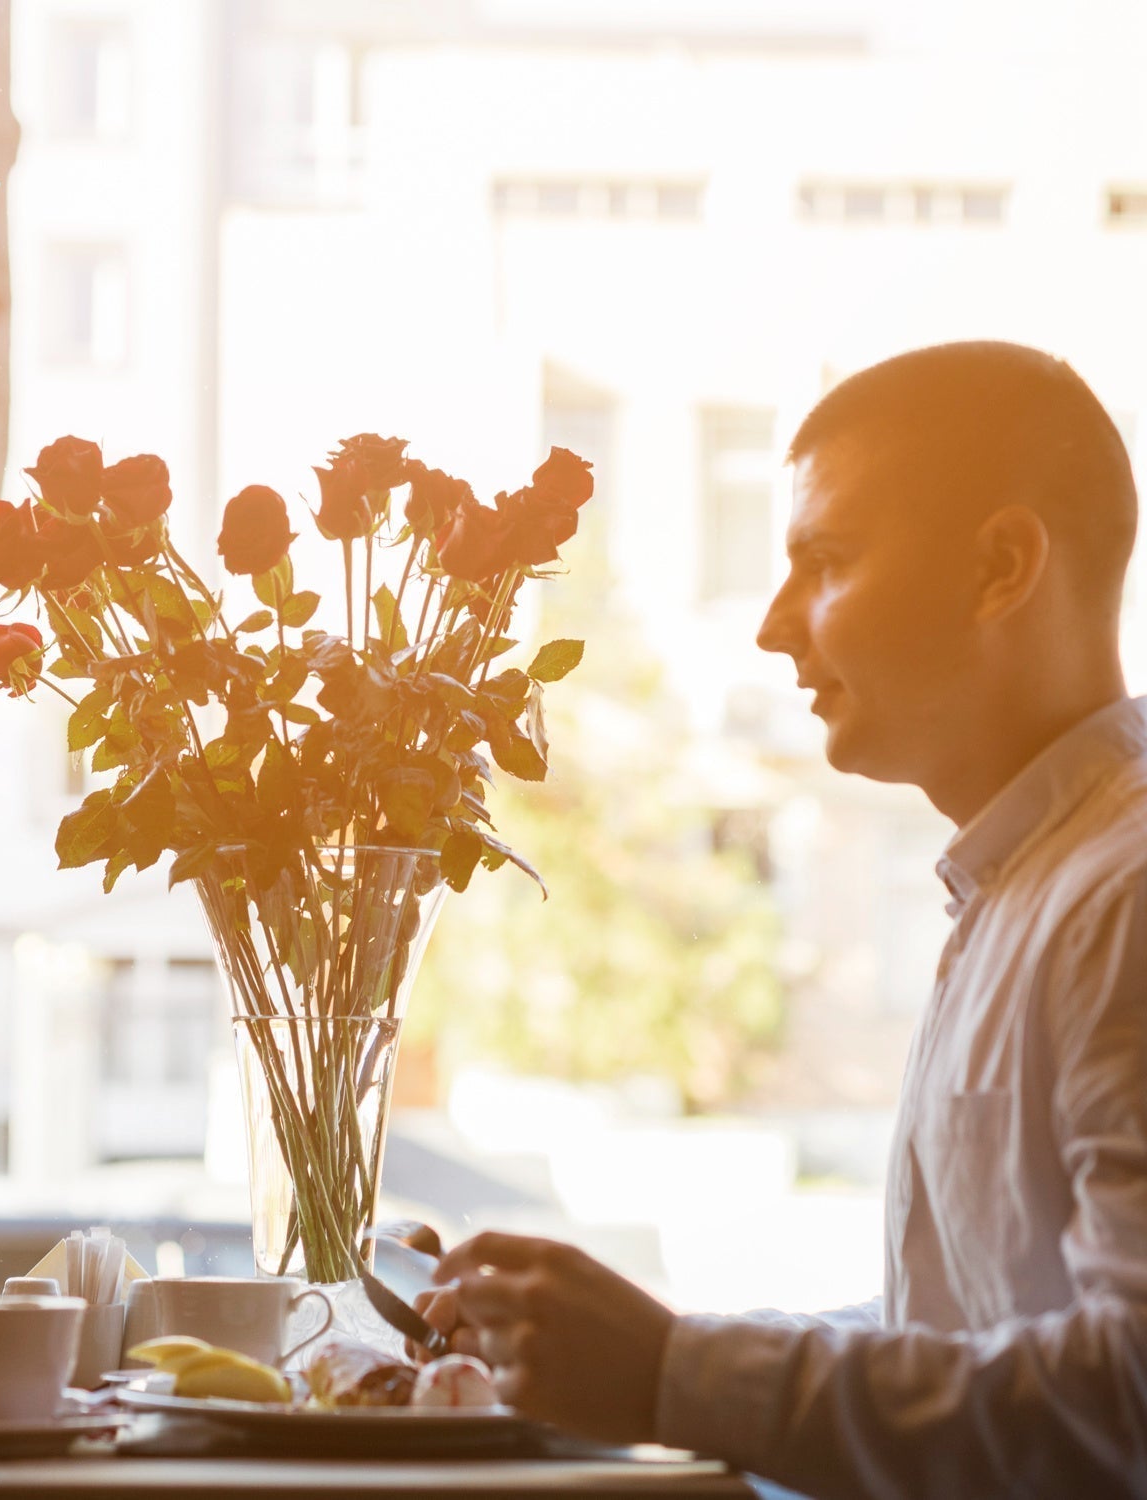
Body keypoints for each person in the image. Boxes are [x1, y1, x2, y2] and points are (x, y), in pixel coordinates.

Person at [419, 341, 1147, 1498]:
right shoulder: (1023, 887)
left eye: (823, 560)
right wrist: (621, 1349)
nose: (770, 625)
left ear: (1000, 566)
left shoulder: (1121, 902)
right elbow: (963, 1339)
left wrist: (673, 1371)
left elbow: (1121, 1404)